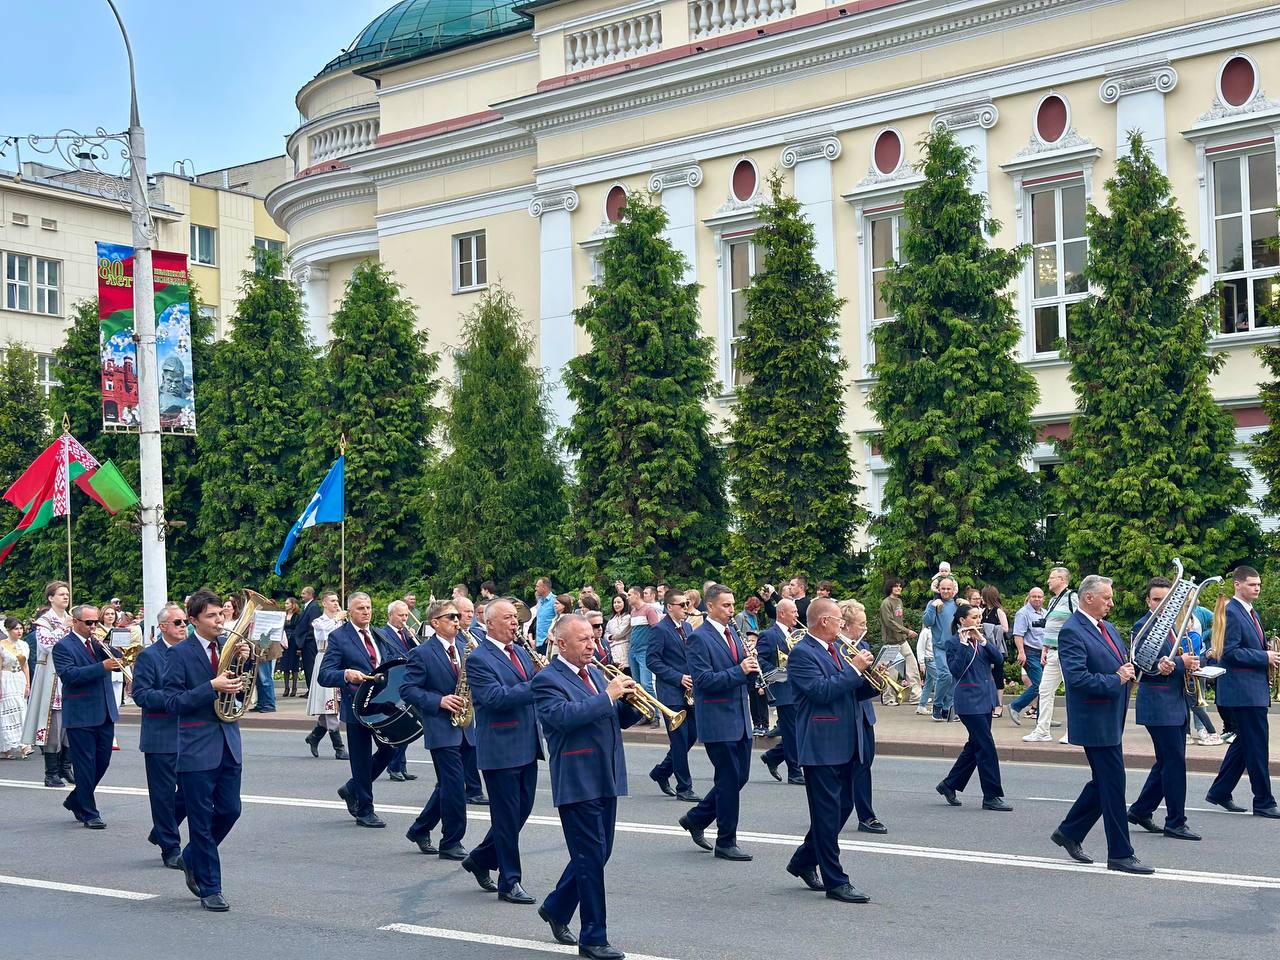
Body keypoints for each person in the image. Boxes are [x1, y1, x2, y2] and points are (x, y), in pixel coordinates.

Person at [533, 614, 643, 960]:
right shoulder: (547, 679)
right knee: (591, 858)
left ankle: (557, 906)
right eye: (583, 640)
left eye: (593, 639)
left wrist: (630, 701)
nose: (592, 645)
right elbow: (563, 718)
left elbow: (614, 718)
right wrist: (607, 696)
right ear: (561, 644)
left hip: (606, 775)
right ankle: (593, 937)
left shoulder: (594, 672)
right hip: (577, 779)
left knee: (598, 853)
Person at [1050, 575, 1152, 874]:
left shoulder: (1107, 627)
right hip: (1093, 720)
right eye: (1106, 598)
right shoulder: (1072, 631)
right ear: (1088, 598)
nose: (1111, 603)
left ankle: (1069, 832)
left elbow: (1123, 664)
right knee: (1113, 784)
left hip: (1111, 717)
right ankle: (1120, 854)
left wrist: (1143, 670)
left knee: (1104, 782)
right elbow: (1077, 679)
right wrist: (1115, 679)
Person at [163, 588, 250, 911]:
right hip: (196, 746)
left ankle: (191, 857)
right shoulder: (179, 654)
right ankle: (211, 888)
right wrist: (211, 687)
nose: (219, 621)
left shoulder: (229, 647)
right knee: (200, 820)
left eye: (221, 615)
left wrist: (243, 666)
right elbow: (173, 702)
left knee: (230, 810)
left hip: (228, 743)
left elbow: (238, 694)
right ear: (194, 620)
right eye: (211, 616)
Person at [784, 596, 875, 904]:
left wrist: (871, 677)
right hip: (821, 744)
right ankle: (836, 881)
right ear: (824, 621)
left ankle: (803, 860)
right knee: (826, 815)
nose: (842, 626)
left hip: (847, 741)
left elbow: (851, 690)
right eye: (839, 621)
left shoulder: (836, 649)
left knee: (843, 808)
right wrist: (854, 671)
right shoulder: (802, 654)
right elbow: (820, 692)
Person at [460, 598, 544, 903]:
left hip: (527, 743)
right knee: (506, 818)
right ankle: (509, 881)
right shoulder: (479, 658)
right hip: (501, 748)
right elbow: (495, 698)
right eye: (508, 617)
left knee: (521, 811)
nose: (514, 622)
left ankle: (481, 858)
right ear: (490, 623)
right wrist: (540, 683)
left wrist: (542, 675)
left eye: (515, 617)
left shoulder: (520, 651)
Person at [679, 584, 759, 861]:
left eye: (733, 604)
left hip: (740, 717)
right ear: (710, 606)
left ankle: (696, 818)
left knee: (740, 777)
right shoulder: (699, 638)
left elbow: (741, 673)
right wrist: (740, 670)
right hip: (717, 719)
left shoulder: (733, 633)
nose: (731, 610)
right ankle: (726, 841)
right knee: (728, 780)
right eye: (726, 605)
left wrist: (752, 668)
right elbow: (703, 681)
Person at [318, 592, 407, 828]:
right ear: (349, 611)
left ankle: (352, 788)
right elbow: (324, 675)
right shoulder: (339, 637)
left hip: (381, 705)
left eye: (368, 607)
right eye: (360, 608)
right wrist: (346, 674)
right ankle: (365, 810)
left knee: (391, 749)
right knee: (360, 759)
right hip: (356, 707)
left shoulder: (378, 634)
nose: (366, 611)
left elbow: (389, 664)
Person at [1127, 577, 1201, 841]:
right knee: (1174, 763)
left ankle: (1140, 810)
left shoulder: (1172, 625)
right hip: (1158, 703)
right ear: (1148, 601)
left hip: (1175, 702)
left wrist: (1192, 663)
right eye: (1157, 600)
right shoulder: (1144, 625)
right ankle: (1175, 822)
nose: (1162, 605)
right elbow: (1144, 663)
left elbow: (1177, 659)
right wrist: (1180, 663)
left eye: (1166, 600)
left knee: (1166, 762)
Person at [1206, 565, 1280, 818]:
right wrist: (1264, 656)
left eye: (1258, 584)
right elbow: (1229, 652)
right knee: (1257, 746)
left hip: (1251, 690)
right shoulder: (1233, 612)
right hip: (1243, 692)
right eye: (1251, 584)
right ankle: (1264, 801)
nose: (1257, 588)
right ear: (1237, 584)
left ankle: (1220, 791)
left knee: (1246, 743)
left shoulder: (1249, 611)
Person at [401, 600, 471, 859]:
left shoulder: (464, 647)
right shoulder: (422, 653)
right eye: (451, 616)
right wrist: (439, 701)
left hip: (466, 726)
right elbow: (407, 689)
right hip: (441, 726)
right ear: (435, 623)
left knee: (448, 785)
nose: (457, 620)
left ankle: (420, 829)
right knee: (455, 786)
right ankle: (451, 841)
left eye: (458, 616)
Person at [936, 602, 1011, 811]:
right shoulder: (953, 643)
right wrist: (963, 644)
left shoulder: (981, 640)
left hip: (986, 699)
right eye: (974, 617)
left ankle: (949, 784)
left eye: (979, 617)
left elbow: (998, 660)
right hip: (969, 702)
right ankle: (991, 796)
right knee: (986, 747)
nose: (979, 621)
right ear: (962, 620)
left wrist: (984, 641)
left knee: (975, 745)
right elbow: (956, 670)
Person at [51, 604, 120, 828]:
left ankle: (75, 799)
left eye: (96, 622)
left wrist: (117, 650)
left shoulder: (98, 643)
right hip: (81, 714)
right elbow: (69, 675)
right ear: (75, 622)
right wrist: (102, 666)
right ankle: (90, 813)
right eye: (89, 622)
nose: (93, 626)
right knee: (85, 765)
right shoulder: (63, 646)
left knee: (103, 762)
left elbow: (118, 662)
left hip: (105, 712)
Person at [131, 603, 189, 868]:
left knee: (191, 791)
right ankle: (170, 847)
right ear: (163, 627)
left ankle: (161, 830)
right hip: (161, 735)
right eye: (177, 622)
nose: (183, 626)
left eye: (185, 621)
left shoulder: (191, 652)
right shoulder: (149, 656)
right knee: (163, 796)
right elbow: (141, 695)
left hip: (190, 734)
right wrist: (175, 698)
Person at [646, 590, 700, 802]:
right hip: (670, 693)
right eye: (682, 605)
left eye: (687, 604)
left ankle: (661, 772)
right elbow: (652, 661)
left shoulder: (687, 627)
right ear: (669, 607)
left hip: (689, 693)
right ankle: (684, 788)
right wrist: (678, 677)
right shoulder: (659, 630)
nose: (686, 608)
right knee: (679, 741)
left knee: (692, 735)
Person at [24, 581, 72, 786]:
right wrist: (64, 628)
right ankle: (51, 772)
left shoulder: (71, 618)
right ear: (51, 598)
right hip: (51, 678)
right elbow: (46, 645)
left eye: (67, 593)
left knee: (69, 725)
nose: (65, 596)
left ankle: (65, 766)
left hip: (69, 676)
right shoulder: (44, 622)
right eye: (61, 594)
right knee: (52, 725)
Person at [1023, 567, 1076, 744]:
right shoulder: (1053, 600)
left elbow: (1081, 620)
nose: (1048, 581)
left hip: (1067, 652)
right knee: (1045, 690)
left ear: (1062, 580)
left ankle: (1073, 732)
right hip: (1052, 651)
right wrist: (1045, 647)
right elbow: (1051, 625)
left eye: (1052, 578)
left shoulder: (1072, 597)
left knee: (1071, 691)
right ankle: (1042, 731)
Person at [758, 598, 803, 784]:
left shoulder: (799, 634)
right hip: (783, 688)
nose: (797, 615)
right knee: (792, 732)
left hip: (800, 689)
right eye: (794, 612)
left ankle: (773, 756)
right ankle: (795, 772)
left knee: (799, 730)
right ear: (782, 613)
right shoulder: (768, 635)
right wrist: (779, 673)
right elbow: (759, 660)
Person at [304, 591, 348, 760]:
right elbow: (326, 634)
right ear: (324, 603)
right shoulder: (319, 622)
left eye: (337, 600)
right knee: (330, 705)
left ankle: (314, 737)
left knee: (332, 705)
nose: (336, 603)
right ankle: (339, 747)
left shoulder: (340, 621)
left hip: (340, 661)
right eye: (332, 600)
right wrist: (337, 620)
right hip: (325, 660)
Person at [453, 596, 488, 803]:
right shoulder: (455, 637)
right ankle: (471, 789)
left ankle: (471, 788)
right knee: (465, 747)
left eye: (470, 612)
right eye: (465, 611)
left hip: (478, 695)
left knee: (472, 745)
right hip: (463, 695)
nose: (469, 615)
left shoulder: (476, 633)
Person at [1007, 588, 1046, 726]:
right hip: (1030, 654)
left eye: (1039, 596)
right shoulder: (1023, 613)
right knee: (1039, 685)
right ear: (1029, 598)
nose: (1037, 599)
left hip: (1043, 654)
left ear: (1043, 598)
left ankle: (1043, 718)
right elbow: (1018, 634)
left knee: (1045, 686)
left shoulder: (1045, 613)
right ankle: (1015, 706)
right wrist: (1021, 652)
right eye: (1034, 596)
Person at [879, 577, 921, 704]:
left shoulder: (899, 601)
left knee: (912, 668)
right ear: (890, 588)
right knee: (891, 672)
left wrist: (904, 633)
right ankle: (888, 698)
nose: (899, 588)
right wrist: (907, 631)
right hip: (891, 643)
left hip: (902, 641)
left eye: (900, 586)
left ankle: (916, 697)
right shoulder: (886, 603)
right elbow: (889, 622)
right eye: (895, 586)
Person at [922, 577, 958, 721]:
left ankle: (947, 707)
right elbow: (927, 622)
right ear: (938, 589)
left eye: (949, 588)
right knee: (945, 675)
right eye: (943, 588)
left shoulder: (957, 604)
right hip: (940, 647)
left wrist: (966, 605)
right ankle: (937, 705)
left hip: (955, 648)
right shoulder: (933, 603)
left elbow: (967, 619)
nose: (946, 591)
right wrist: (932, 607)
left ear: (953, 590)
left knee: (953, 677)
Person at [1, 617, 31, 759]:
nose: (19, 631)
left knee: (22, 710)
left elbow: (25, 666)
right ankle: (6, 747)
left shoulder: (24, 645)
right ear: (8, 630)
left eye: (20, 628)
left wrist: (27, 684)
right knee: (6, 712)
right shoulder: (2, 646)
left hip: (19, 679)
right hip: (6, 679)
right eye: (15, 629)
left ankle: (25, 745)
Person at [626, 586, 660, 704]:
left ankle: (656, 712)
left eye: (629, 595)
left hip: (644, 651)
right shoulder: (633, 612)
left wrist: (654, 649)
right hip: (633, 650)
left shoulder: (649, 610)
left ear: (637, 595)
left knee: (646, 684)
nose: (627, 597)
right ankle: (644, 711)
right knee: (637, 685)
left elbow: (657, 630)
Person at [979, 586, 1010, 719]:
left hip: (997, 648)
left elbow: (1006, 629)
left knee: (998, 676)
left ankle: (999, 706)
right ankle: (989, 704)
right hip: (985, 647)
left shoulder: (999, 611)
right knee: (986, 676)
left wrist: (989, 628)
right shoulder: (983, 611)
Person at [294, 586, 321, 698]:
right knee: (307, 667)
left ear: (310, 595)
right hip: (306, 643)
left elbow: (313, 626)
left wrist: (305, 639)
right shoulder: (308, 606)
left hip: (310, 643)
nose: (301, 595)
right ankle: (310, 689)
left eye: (304, 593)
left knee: (310, 667)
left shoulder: (313, 607)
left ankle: (313, 691)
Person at [281, 597, 302, 698]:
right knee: (285, 665)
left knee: (294, 665)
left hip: (294, 642)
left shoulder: (297, 616)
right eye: (285, 603)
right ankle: (286, 688)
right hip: (284, 641)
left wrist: (299, 647)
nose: (285, 605)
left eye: (287, 603)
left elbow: (299, 630)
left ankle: (294, 688)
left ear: (293, 604)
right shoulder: (283, 615)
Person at [531, 577, 556, 654]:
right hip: (538, 642)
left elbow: (559, 620)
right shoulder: (540, 601)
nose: (535, 589)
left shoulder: (554, 601)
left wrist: (552, 635)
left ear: (544, 588)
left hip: (547, 642)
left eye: (537, 586)